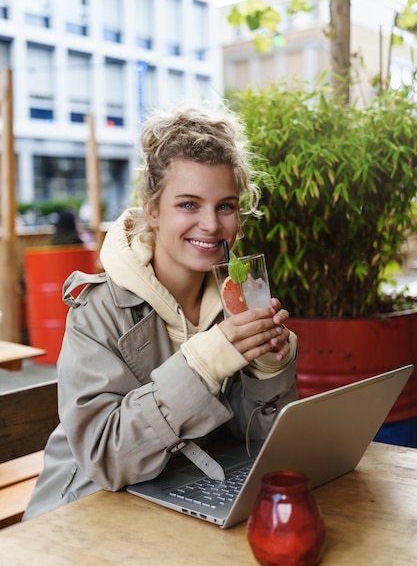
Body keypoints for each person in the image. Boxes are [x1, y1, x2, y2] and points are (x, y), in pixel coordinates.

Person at [24, 104, 298, 520]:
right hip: (81, 514)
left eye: (225, 206)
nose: (211, 224)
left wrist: (267, 371)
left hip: (183, 499)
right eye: (189, 205)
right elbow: (106, 457)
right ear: (152, 210)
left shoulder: (235, 299)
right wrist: (203, 364)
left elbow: (254, 444)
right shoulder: (95, 309)